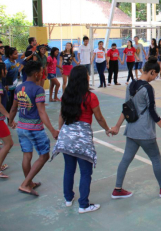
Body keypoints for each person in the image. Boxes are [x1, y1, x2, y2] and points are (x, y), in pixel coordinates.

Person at [106, 59, 161, 200]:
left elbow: (126, 108)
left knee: (126, 159)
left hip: (131, 131)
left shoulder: (130, 85)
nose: (154, 78)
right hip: (145, 132)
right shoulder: (148, 89)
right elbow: (152, 112)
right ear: (151, 72)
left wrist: (117, 126)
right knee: (156, 159)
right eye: (155, 75)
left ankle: (117, 189)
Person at [53, 66, 111, 213]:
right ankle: (83, 205)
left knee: (69, 169)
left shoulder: (66, 94)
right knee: (85, 172)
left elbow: (61, 115)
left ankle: (68, 198)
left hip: (66, 136)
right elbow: (99, 117)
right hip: (82, 140)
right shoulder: (90, 97)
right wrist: (107, 129)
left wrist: (60, 132)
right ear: (84, 78)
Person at [8, 60, 59, 197]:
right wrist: (53, 130)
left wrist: (11, 120)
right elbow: (41, 112)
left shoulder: (19, 88)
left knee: (27, 155)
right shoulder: (38, 89)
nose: (42, 75)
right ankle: (25, 184)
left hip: (21, 127)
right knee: (44, 155)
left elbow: (13, 108)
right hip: (34, 128)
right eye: (41, 72)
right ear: (36, 74)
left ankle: (28, 182)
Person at [4, 47, 21, 111]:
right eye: (15, 54)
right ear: (10, 55)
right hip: (8, 85)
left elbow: (16, 69)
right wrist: (6, 85)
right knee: (9, 101)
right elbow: (4, 75)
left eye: (17, 53)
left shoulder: (14, 61)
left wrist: (18, 75)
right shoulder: (7, 63)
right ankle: (9, 116)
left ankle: (13, 109)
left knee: (14, 99)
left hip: (13, 83)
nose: (17, 55)